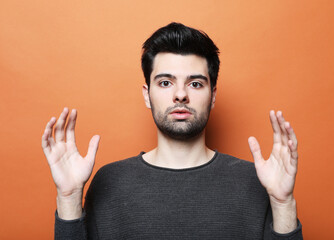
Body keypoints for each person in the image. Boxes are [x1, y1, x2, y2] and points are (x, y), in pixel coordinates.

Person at [42, 22, 303, 239]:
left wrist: (283, 202)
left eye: (196, 84)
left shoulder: (255, 181)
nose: (180, 95)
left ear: (213, 96)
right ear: (147, 95)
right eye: (165, 82)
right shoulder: (110, 182)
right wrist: (69, 197)